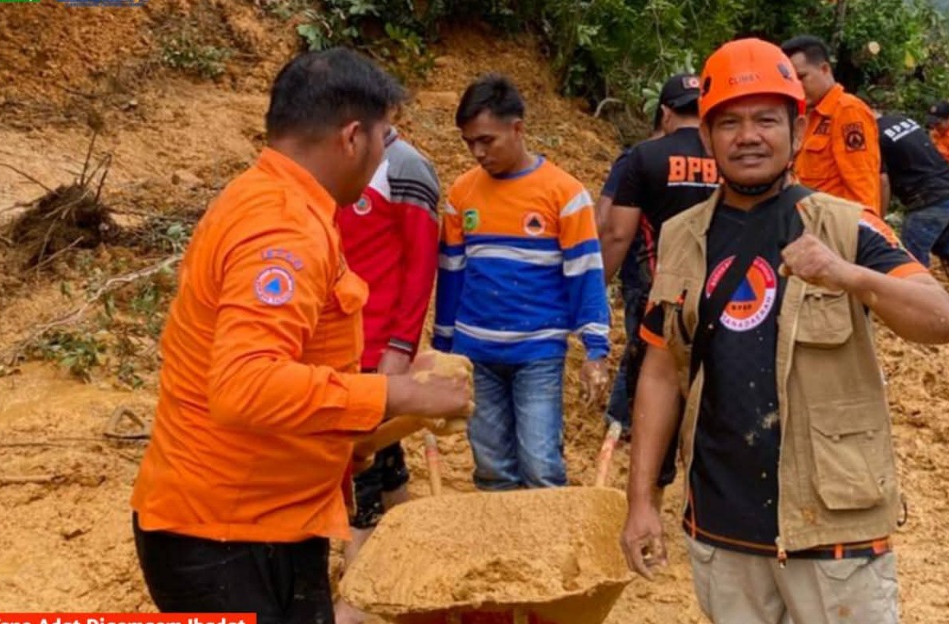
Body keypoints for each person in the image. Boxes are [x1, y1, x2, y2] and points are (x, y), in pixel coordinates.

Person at [620, 38, 949, 624]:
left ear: (797, 131)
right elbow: (659, 372)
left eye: (766, 120)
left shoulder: (846, 226)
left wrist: (846, 274)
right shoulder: (681, 237)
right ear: (707, 138)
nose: (748, 136)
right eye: (729, 123)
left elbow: (940, 320)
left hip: (832, 528)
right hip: (722, 526)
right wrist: (640, 500)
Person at [130, 48, 472, 624]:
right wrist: (401, 394)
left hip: (263, 523)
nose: (384, 154)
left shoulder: (279, 201)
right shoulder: (282, 227)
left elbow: (293, 364)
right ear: (353, 138)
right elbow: (245, 385)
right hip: (229, 539)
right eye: (384, 137)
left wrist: (349, 438)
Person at [434, 74, 610, 490]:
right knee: (491, 466)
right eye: (469, 143)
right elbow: (451, 275)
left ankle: (549, 535)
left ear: (517, 128)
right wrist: (443, 347)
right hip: (476, 351)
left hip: (538, 352)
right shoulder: (461, 194)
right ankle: (500, 534)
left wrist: (596, 349)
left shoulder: (564, 193)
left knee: (540, 466)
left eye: (486, 140)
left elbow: (585, 274)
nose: (478, 152)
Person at [332, 120, 442, 624]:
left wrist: (401, 345)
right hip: (341, 343)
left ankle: (359, 599)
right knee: (384, 459)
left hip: (377, 346)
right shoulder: (336, 161)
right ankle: (416, 566)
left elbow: (420, 265)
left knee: (361, 474)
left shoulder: (406, 167)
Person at [600, 73, 717, 433]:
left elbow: (618, 233)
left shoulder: (644, 156)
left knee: (646, 356)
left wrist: (596, 286)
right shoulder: (726, 156)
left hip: (654, 282)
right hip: (715, 282)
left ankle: (630, 423)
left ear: (665, 113)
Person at [597, 123, 664, 432]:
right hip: (671, 275)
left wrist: (596, 283)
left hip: (644, 272)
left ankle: (623, 418)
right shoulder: (710, 156)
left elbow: (608, 223)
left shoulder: (638, 158)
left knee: (640, 346)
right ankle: (627, 418)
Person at [877, 111, 949, 310]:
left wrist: (878, 216)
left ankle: (921, 307)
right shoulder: (902, 120)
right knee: (945, 243)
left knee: (912, 255)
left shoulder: (873, 134)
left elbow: (883, 181)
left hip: (930, 199)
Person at [783, 35, 883, 214]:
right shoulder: (809, 117)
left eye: (802, 77)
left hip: (838, 223)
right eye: (791, 81)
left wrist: (861, 227)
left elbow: (862, 185)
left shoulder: (848, 111)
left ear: (825, 69)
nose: (797, 86)